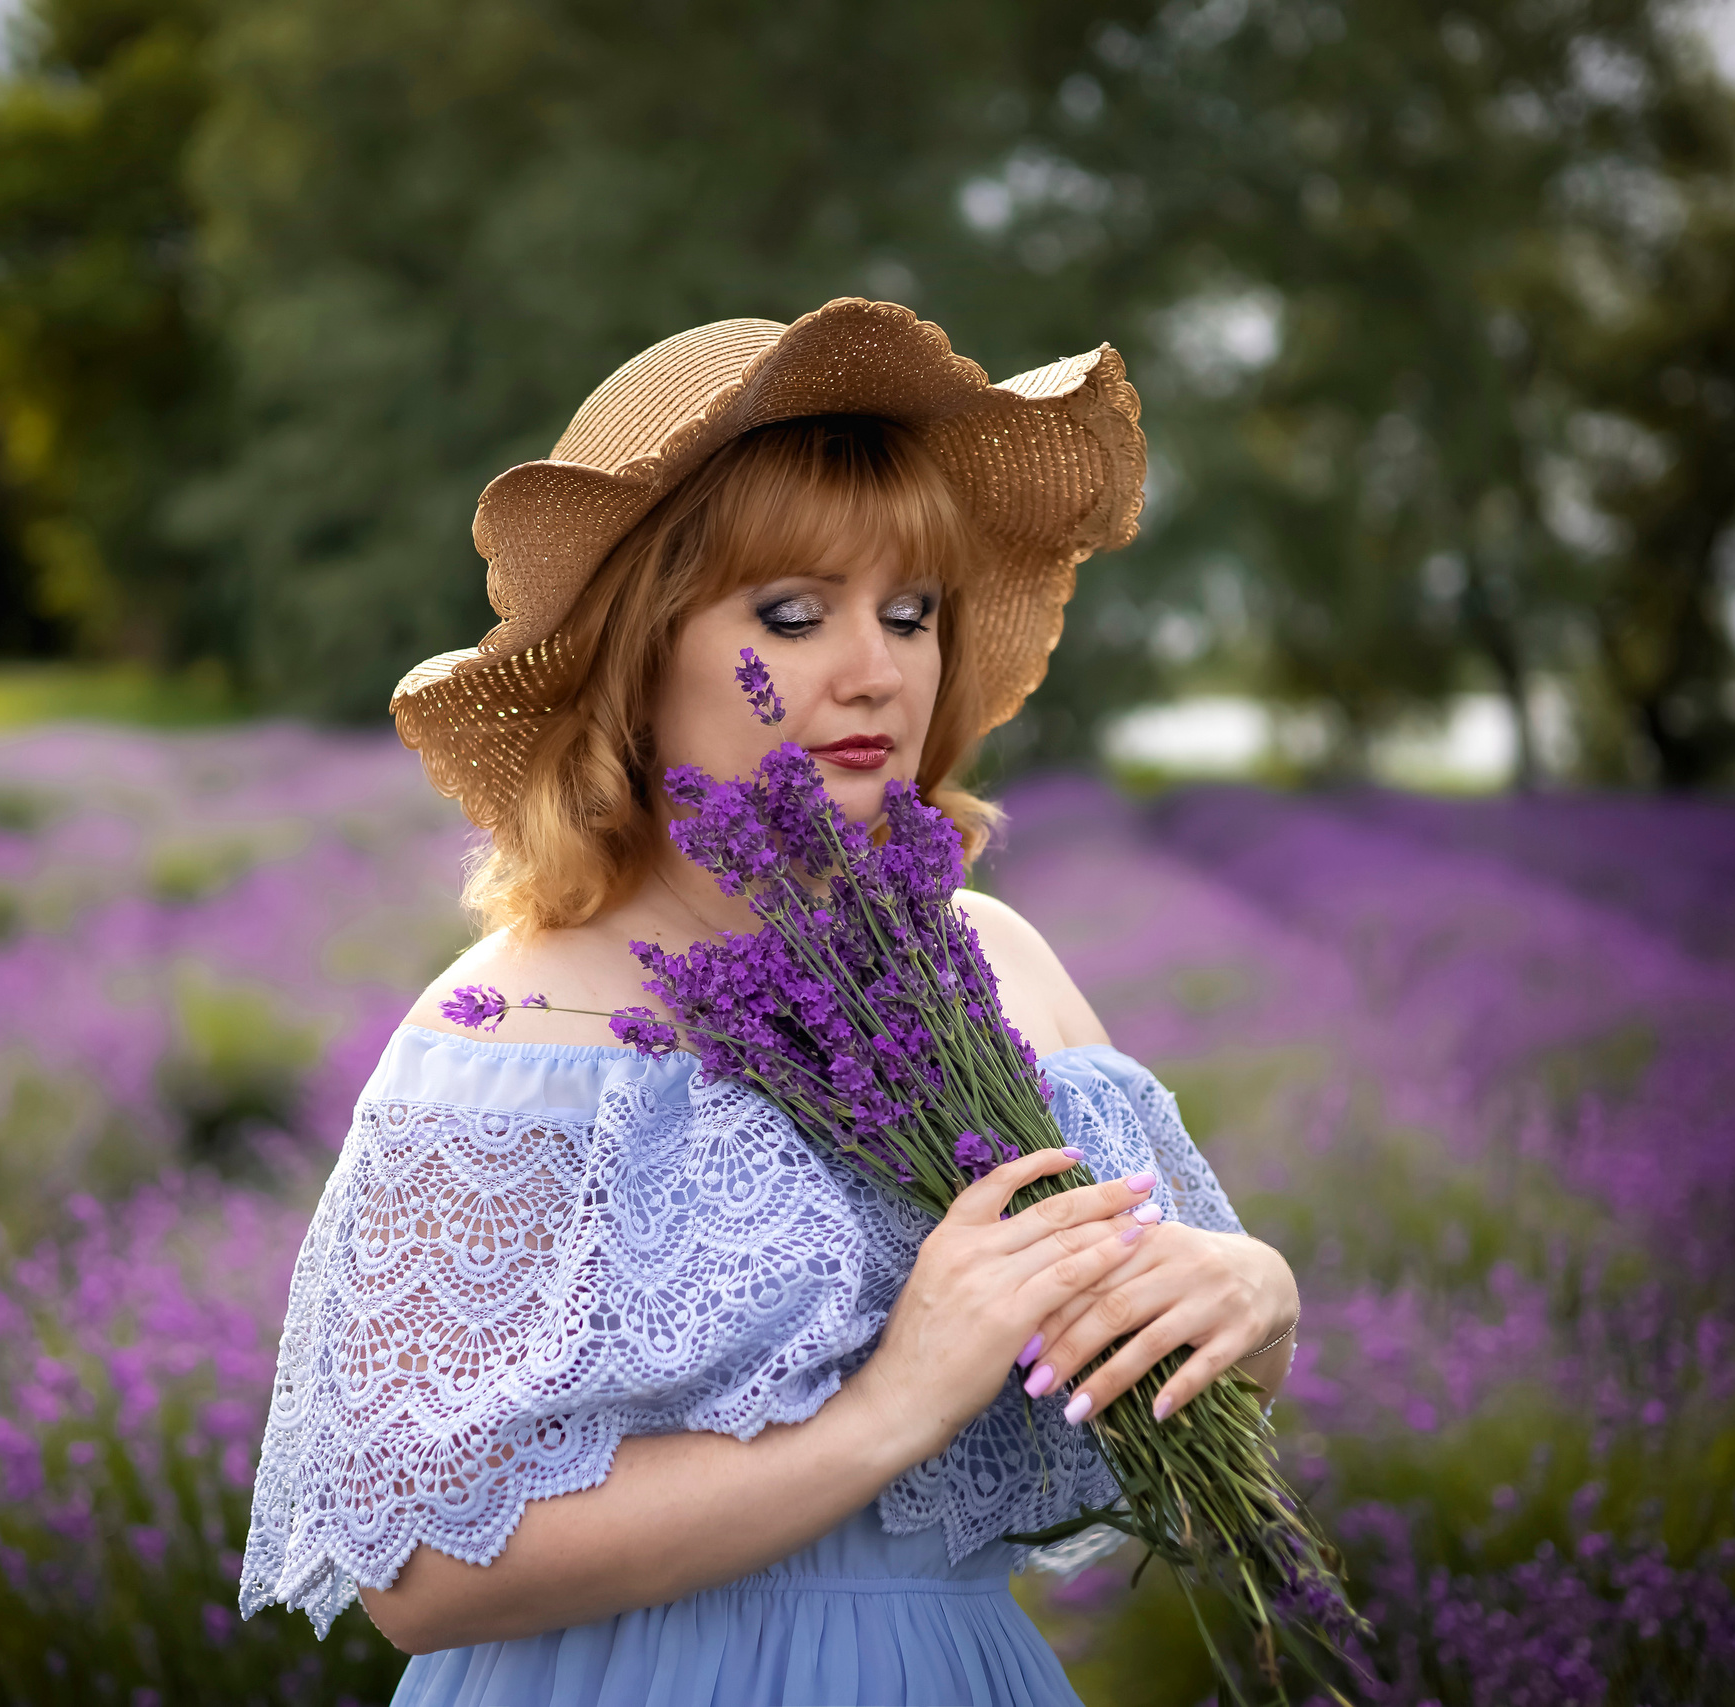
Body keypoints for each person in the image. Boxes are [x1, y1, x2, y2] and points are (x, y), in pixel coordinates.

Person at [239, 300, 1302, 1706]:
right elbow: (421, 1578)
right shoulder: (507, 1041)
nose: (877, 670)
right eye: (792, 617)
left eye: (911, 613)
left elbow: (1167, 1371)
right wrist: (883, 1415)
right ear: (638, 652)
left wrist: (1255, 1296)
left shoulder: (1000, 964)